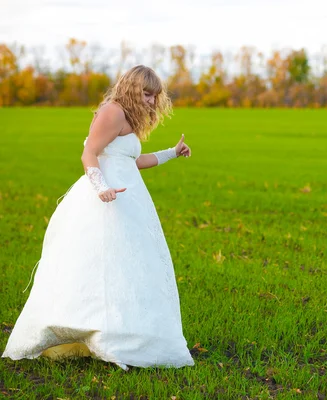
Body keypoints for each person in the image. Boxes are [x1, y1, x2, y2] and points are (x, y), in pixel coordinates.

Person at [2, 65, 194, 370]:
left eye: (155, 96)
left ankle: (123, 330)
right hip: (103, 199)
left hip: (127, 198)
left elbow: (132, 160)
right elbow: (89, 152)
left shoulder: (128, 117)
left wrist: (172, 152)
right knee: (99, 263)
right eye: (146, 94)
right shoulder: (112, 111)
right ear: (131, 88)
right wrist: (101, 187)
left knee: (128, 266)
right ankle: (92, 328)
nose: (151, 101)